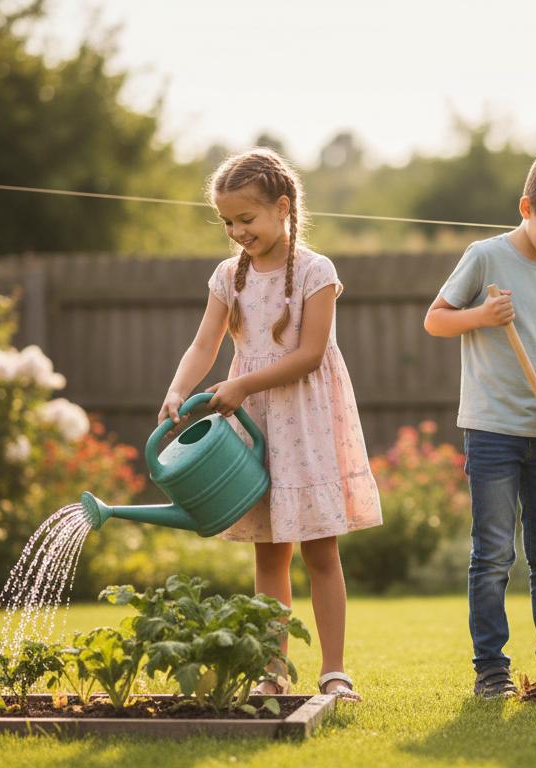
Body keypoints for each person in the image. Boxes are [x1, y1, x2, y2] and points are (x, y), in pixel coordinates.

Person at [158, 148, 381, 701]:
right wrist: (178, 389)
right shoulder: (225, 278)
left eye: (246, 219)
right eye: (228, 222)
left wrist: (238, 387)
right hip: (254, 423)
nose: (236, 231)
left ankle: (334, 670)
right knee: (269, 551)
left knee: (320, 551)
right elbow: (204, 343)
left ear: (283, 208)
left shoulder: (315, 271)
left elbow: (309, 355)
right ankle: (273, 671)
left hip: (304, 422)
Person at [423, 148, 536, 698]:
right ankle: (492, 671)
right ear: (527, 206)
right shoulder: (485, 257)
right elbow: (435, 320)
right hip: (492, 431)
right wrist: (480, 316)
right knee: (494, 553)